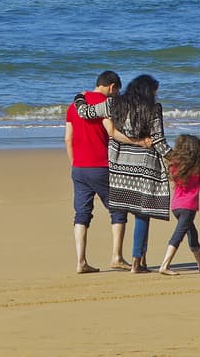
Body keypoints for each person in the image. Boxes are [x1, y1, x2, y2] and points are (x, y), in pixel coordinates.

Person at [75, 74, 172, 274]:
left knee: (125, 210)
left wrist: (79, 96)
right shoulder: (154, 109)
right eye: (155, 91)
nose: (156, 95)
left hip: (119, 167)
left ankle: (135, 260)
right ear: (148, 91)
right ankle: (138, 261)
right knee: (143, 213)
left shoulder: (113, 104)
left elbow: (84, 112)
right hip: (144, 166)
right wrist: (177, 158)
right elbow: (159, 141)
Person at [65, 70, 133, 274]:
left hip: (78, 168)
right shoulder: (103, 106)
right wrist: (139, 141)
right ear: (112, 87)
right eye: (116, 92)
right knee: (118, 209)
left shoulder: (73, 106)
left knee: (82, 214)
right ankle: (117, 257)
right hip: (101, 165)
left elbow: (68, 139)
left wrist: (75, 163)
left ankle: (81, 261)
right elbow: (112, 132)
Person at [158, 134, 200, 276]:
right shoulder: (198, 168)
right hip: (188, 207)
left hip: (176, 206)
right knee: (179, 234)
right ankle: (165, 265)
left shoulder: (175, 165)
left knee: (192, 233)